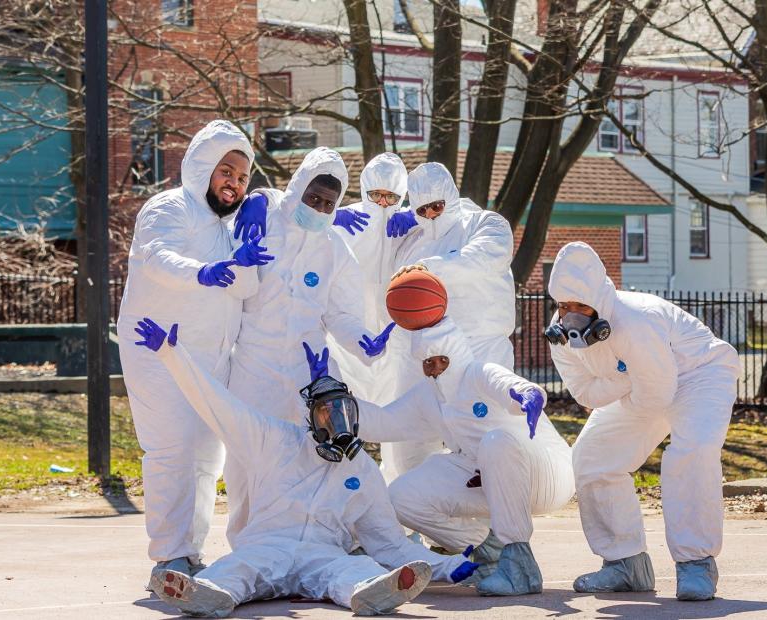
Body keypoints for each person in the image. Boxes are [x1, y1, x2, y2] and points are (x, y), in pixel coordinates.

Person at [133, 318, 480, 618]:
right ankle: (205, 595)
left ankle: (374, 593)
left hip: (323, 553)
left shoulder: (361, 469)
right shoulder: (274, 439)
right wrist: (172, 354)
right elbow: (217, 405)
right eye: (326, 413)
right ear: (310, 417)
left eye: (344, 411)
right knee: (235, 570)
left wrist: (451, 568)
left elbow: (390, 544)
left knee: (356, 569)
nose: (337, 421)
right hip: (267, 545)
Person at [116, 120, 273, 585]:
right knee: (172, 449)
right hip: (158, 349)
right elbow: (157, 256)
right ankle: (168, 558)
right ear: (203, 167)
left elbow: (246, 286)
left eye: (244, 178)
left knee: (207, 458)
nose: (235, 183)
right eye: (227, 171)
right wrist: (204, 272)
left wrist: (260, 217)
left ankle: (188, 554)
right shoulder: (170, 206)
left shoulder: (230, 228)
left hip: (210, 359)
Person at [546, 242, 741, 601]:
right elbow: (586, 394)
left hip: (700, 374)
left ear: (599, 301)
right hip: (641, 385)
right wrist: (626, 375)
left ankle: (696, 562)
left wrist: (624, 377)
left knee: (692, 450)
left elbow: (658, 395)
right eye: (563, 306)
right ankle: (625, 563)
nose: (570, 315)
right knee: (593, 459)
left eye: (579, 305)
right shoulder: (560, 338)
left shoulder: (635, 319)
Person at [224, 147, 394, 539]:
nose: (318, 208)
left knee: (323, 453)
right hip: (255, 362)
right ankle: (247, 542)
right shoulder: (264, 220)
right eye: (312, 197)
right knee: (247, 456)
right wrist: (254, 199)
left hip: (309, 368)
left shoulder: (334, 247)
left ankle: (327, 538)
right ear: (298, 186)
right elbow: (234, 213)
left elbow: (341, 313)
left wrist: (363, 340)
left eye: (328, 204)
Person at [346, 316, 574, 597]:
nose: (434, 369)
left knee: (496, 442)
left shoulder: (479, 373)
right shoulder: (428, 396)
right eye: (427, 363)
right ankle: (490, 551)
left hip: (545, 470)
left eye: (440, 360)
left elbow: (509, 386)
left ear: (454, 352)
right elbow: (383, 422)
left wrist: (529, 395)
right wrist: (337, 403)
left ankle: (521, 568)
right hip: (483, 476)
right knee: (402, 497)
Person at [380, 162, 517, 481]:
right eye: (421, 209)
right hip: (420, 352)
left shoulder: (486, 224)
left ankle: (495, 525)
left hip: (479, 349)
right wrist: (379, 222)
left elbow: (482, 259)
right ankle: (419, 517)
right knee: (409, 444)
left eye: (436, 206)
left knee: (483, 438)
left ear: (451, 198)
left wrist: (425, 269)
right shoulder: (411, 240)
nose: (430, 215)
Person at [326, 153, 409, 403]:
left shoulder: (407, 223)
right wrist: (330, 218)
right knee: (348, 394)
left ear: (401, 195)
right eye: (376, 195)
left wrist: (415, 216)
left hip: (392, 322)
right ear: (365, 191)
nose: (383, 203)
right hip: (349, 320)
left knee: (394, 396)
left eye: (391, 196)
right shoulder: (347, 220)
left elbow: (458, 211)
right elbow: (298, 222)